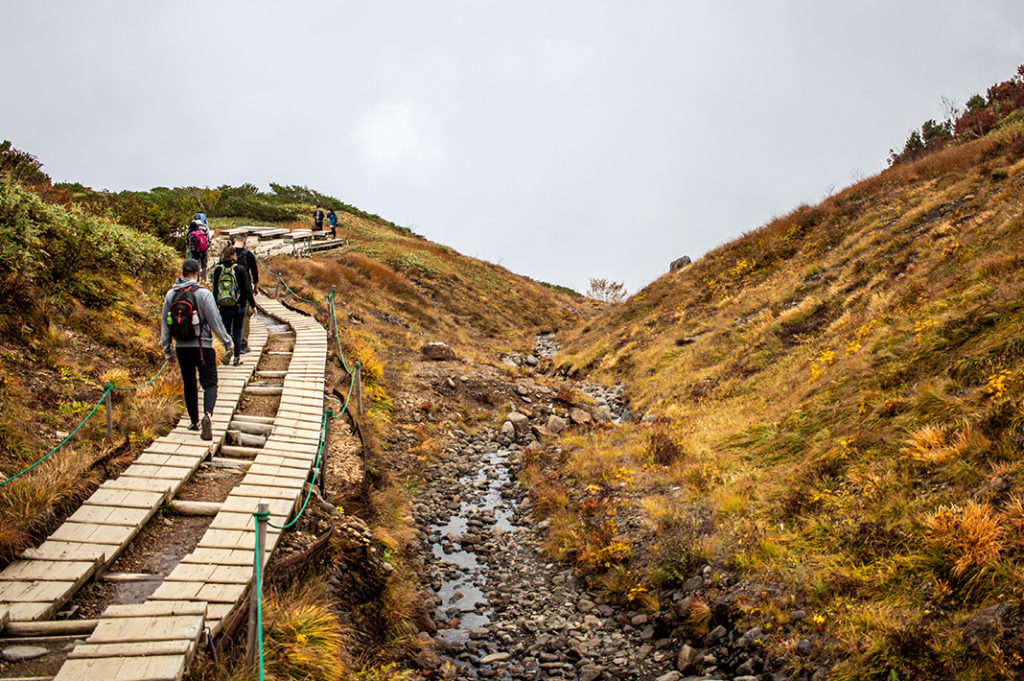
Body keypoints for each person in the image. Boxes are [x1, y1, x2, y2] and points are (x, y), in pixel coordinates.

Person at [161, 258, 233, 440]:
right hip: (203, 346)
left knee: (189, 383)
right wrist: (227, 342)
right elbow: (215, 322)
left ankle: (194, 422)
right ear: (199, 272)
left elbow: (165, 324)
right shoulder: (203, 294)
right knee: (210, 383)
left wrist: (167, 350)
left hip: (181, 348)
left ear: (183, 273)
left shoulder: (171, 294)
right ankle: (207, 414)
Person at [211, 244, 255, 366]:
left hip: (224, 305)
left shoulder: (218, 270)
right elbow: (247, 289)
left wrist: (216, 304)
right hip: (239, 305)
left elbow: (215, 289)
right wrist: (253, 305)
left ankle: (226, 351)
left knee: (225, 331)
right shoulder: (240, 269)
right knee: (237, 331)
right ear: (234, 256)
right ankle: (236, 357)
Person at [232, 234, 259, 353]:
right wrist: (256, 286)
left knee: (230, 315)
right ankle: (243, 343)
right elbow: (254, 272)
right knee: (245, 316)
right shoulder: (248, 254)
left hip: (229, 290)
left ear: (234, 240)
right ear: (244, 242)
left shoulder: (227, 253)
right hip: (243, 289)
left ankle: (231, 342)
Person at [185, 217, 210, 282]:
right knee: (204, 264)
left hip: (195, 252)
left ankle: (197, 279)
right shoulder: (201, 231)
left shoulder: (191, 234)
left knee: (196, 265)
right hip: (203, 250)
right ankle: (204, 279)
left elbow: (190, 245)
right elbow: (207, 238)